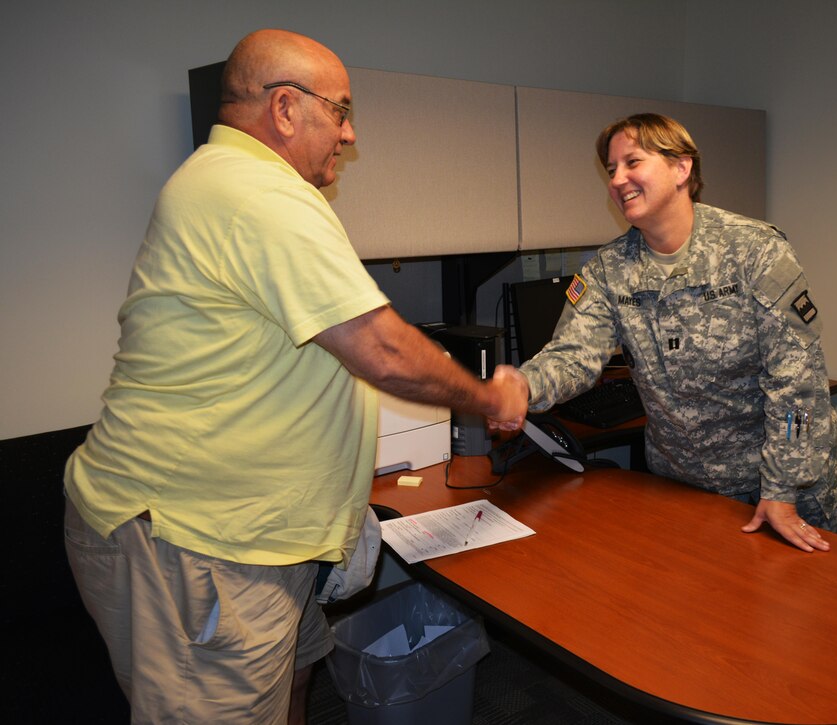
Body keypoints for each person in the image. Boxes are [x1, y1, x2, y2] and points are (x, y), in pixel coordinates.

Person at [63, 29, 528, 724]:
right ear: (284, 108)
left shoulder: (233, 184)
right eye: (339, 111)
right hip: (200, 549)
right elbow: (382, 348)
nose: (348, 132)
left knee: (296, 681)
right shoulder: (257, 194)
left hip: (259, 542)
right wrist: (490, 394)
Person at [517, 113, 837, 552]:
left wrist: (782, 490)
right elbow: (572, 355)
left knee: (808, 615)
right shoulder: (608, 270)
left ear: (681, 168)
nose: (618, 179)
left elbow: (799, 382)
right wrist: (520, 386)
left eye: (632, 162)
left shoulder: (754, 250)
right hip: (684, 490)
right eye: (611, 170)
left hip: (778, 490)